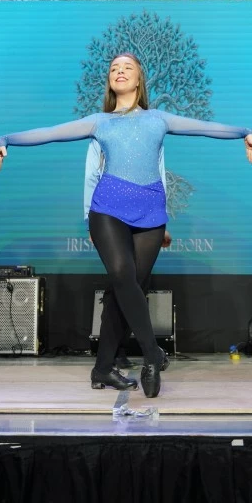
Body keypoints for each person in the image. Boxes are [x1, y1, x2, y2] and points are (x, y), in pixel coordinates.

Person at [0, 53, 252, 398]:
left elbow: (204, 127)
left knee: (126, 291)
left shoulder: (158, 119)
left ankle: (102, 369)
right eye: (114, 68)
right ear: (110, 81)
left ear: (138, 80)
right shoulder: (99, 121)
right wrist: (6, 139)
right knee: (121, 275)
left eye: (127, 67)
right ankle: (151, 354)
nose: (119, 71)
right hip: (108, 208)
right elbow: (51, 133)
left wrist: (244, 133)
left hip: (150, 212)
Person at [84, 140, 172, 368]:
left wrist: (161, 218)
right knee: (121, 282)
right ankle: (119, 354)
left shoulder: (153, 134)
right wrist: (90, 220)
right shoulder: (102, 134)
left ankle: (111, 358)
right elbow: (92, 175)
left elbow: (160, 176)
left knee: (134, 286)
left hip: (148, 216)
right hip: (110, 214)